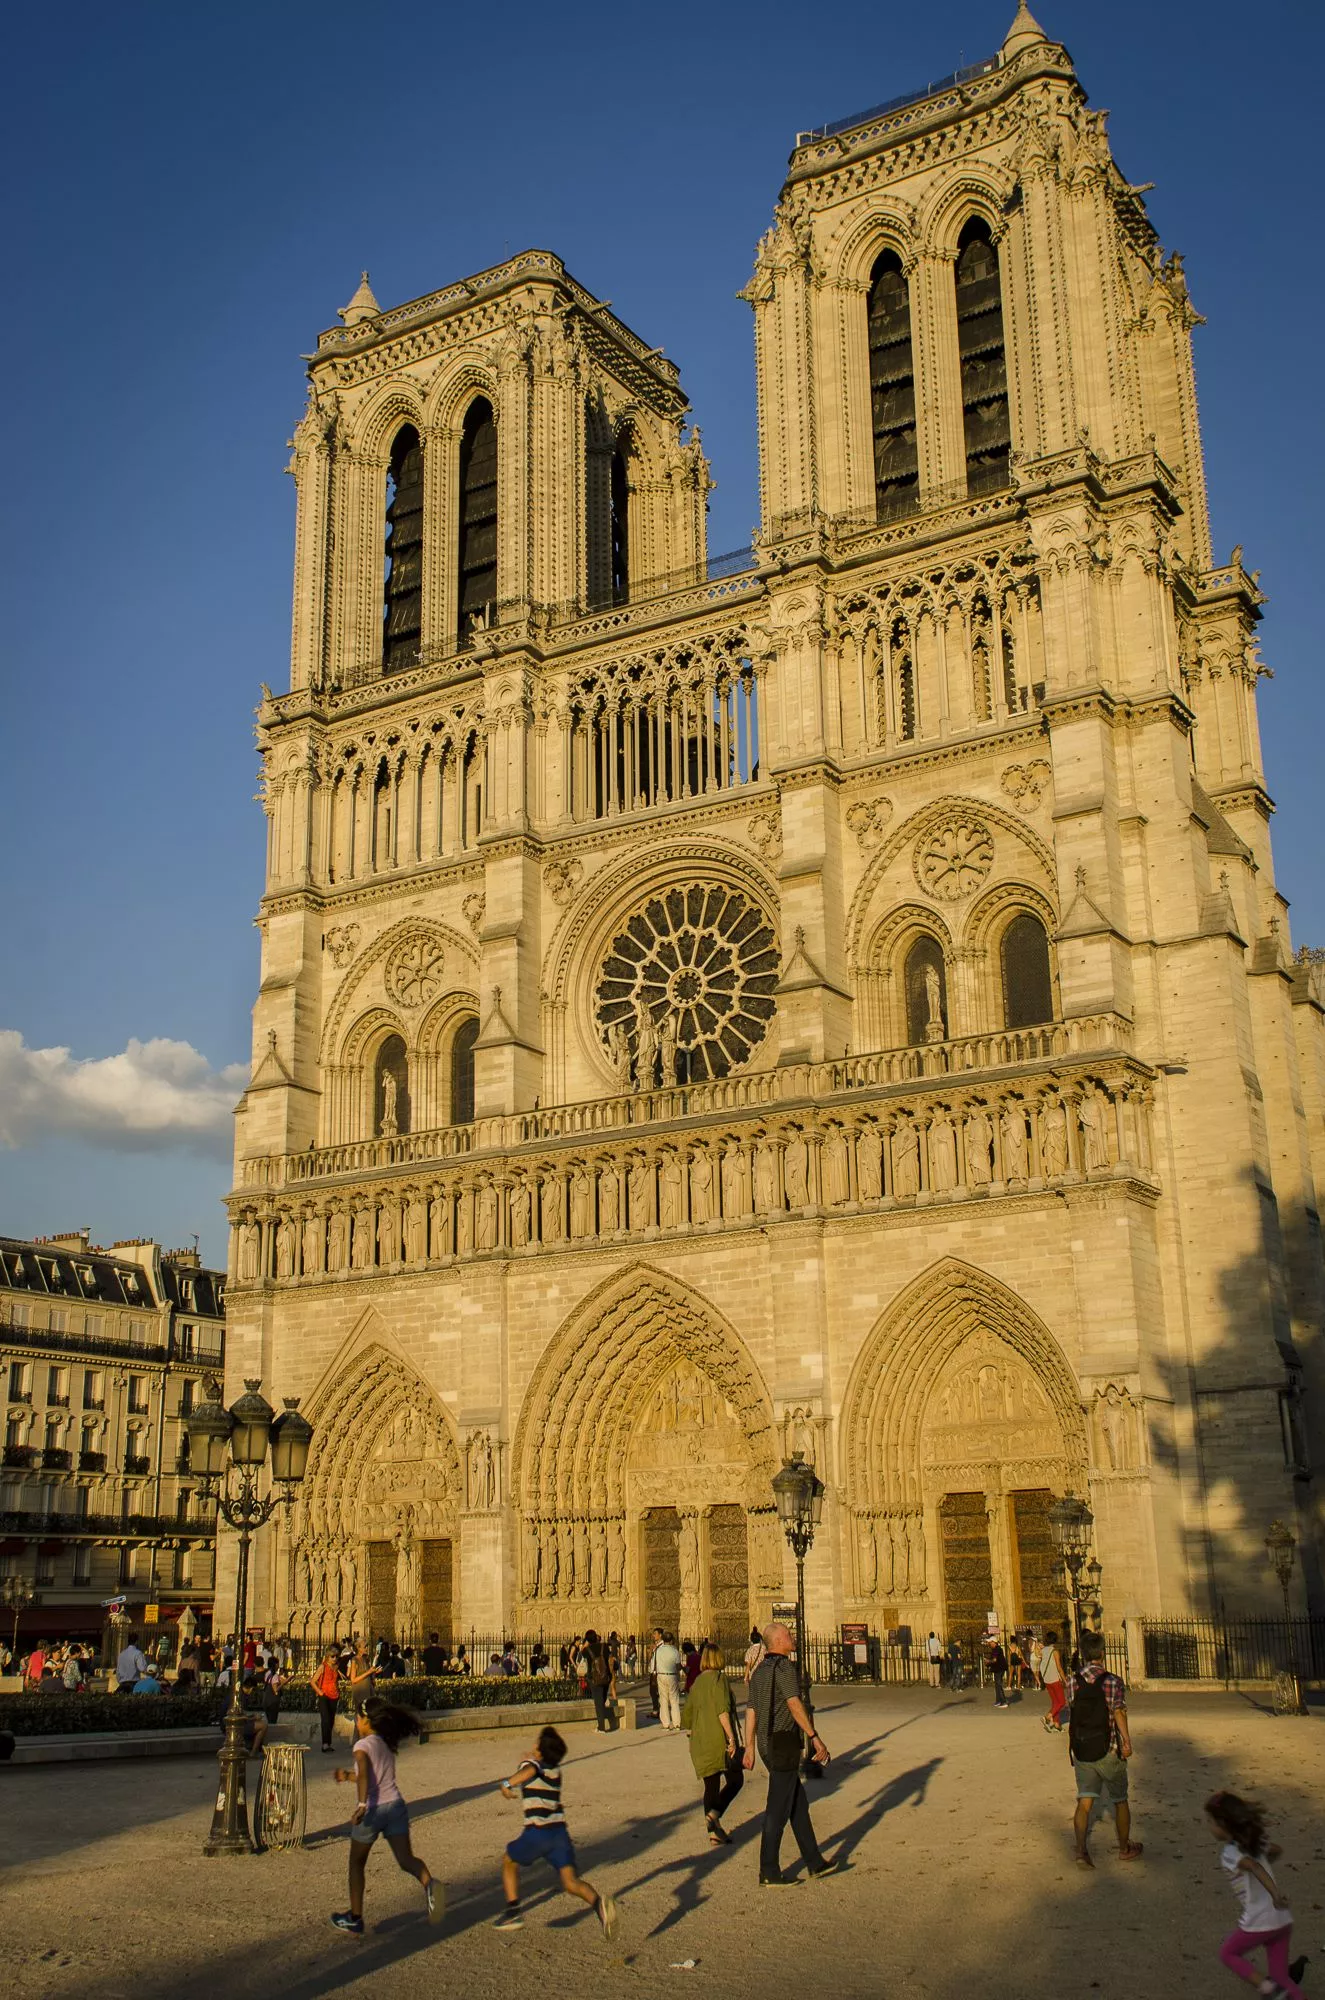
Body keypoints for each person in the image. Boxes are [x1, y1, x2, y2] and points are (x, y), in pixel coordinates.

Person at [330, 1700, 443, 1935]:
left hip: (373, 1809)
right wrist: (347, 1776)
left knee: (357, 1863)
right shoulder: (385, 1743)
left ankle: (355, 1917)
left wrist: (361, 1805)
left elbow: (365, 1778)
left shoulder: (362, 1745)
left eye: (358, 1719)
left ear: (366, 1721)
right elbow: (368, 1777)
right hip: (395, 1805)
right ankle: (430, 1884)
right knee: (406, 1859)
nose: (357, 1723)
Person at [492, 1725, 616, 1938]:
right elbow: (534, 1769)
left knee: (508, 1861)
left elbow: (530, 1771)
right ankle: (599, 1906)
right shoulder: (556, 1771)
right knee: (571, 1882)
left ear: (540, 1749)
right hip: (559, 1834)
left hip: (537, 1832)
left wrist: (507, 1783)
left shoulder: (532, 1765)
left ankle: (513, 1911)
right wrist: (529, 1761)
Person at [744, 1622, 836, 1886]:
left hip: (766, 1744)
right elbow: (794, 1704)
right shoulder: (784, 1668)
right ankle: (769, 1870)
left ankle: (814, 1862)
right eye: (787, 1634)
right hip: (783, 1745)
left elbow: (751, 1710)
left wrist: (750, 1747)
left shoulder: (759, 1671)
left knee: (798, 1805)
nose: (792, 1637)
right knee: (777, 1810)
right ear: (777, 1641)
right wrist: (814, 1737)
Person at [1206, 1789, 1307, 1999]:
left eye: (1211, 1821)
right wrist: (1265, 1858)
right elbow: (1275, 1850)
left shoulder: (1230, 1853)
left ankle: (1267, 1988)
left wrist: (1275, 1894)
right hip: (1282, 1920)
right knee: (1283, 1979)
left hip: (1260, 1920)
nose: (1209, 1826)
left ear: (1224, 1824)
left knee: (1228, 1953)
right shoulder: (1256, 1843)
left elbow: (1253, 1867)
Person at [1068, 1631, 1142, 1868]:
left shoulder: (1071, 1681)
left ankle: (1081, 1851)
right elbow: (1119, 1712)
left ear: (1083, 1653)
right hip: (1109, 1749)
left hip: (1082, 1749)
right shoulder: (1113, 1681)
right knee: (1120, 1800)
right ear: (1102, 1653)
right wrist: (1127, 1741)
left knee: (1084, 1801)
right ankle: (1124, 1848)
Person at [683, 1643, 743, 1845]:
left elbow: (688, 1715)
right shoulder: (719, 1679)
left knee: (711, 1785)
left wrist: (694, 1736)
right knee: (735, 1780)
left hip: (700, 1739)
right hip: (718, 1738)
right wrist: (732, 1738)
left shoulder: (697, 1682)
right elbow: (722, 1711)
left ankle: (713, 1832)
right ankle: (714, 1815)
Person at [313, 1646, 342, 1753]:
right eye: (332, 1656)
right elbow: (313, 1681)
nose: (334, 1658)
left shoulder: (336, 1667)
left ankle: (328, 1743)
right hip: (324, 1696)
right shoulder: (322, 1667)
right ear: (327, 1656)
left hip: (334, 1695)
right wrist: (320, 1692)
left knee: (331, 1720)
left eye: (336, 1656)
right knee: (325, 1720)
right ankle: (325, 1744)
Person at [652, 1631, 683, 1730]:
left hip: (661, 1675)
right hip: (672, 1676)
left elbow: (654, 1664)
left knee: (663, 1700)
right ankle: (677, 1723)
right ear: (672, 1640)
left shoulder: (658, 1650)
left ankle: (666, 1724)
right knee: (674, 1700)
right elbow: (678, 1666)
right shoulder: (675, 1651)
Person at [584, 1630, 612, 1731]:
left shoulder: (587, 1649)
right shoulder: (604, 1647)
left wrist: (586, 1643)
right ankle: (601, 1723)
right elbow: (609, 1658)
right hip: (606, 1676)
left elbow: (582, 1653)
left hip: (594, 1677)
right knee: (602, 1698)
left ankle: (601, 1727)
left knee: (598, 1701)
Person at [1041, 1627, 1067, 1732]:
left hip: (1047, 1679)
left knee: (1055, 1701)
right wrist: (1065, 1680)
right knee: (1062, 1702)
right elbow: (1059, 1667)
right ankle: (1048, 1717)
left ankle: (1056, 1723)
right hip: (1055, 1679)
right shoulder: (1055, 1651)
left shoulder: (1043, 1650)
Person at [347, 1641, 378, 1713]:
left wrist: (374, 1672)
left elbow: (369, 1675)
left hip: (368, 1691)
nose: (367, 1648)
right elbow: (353, 1680)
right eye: (365, 1647)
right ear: (358, 1648)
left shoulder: (366, 1659)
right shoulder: (354, 1660)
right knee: (361, 1715)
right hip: (360, 1692)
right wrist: (369, 1672)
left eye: (367, 1646)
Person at [988, 1637, 1009, 1709]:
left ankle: (1003, 1701)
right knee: (997, 1684)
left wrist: (988, 1661)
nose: (989, 1643)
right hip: (998, 1668)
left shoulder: (997, 1649)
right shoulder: (996, 1649)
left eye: (990, 1642)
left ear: (994, 1642)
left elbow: (994, 1660)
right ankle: (998, 1701)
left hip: (999, 1668)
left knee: (999, 1684)